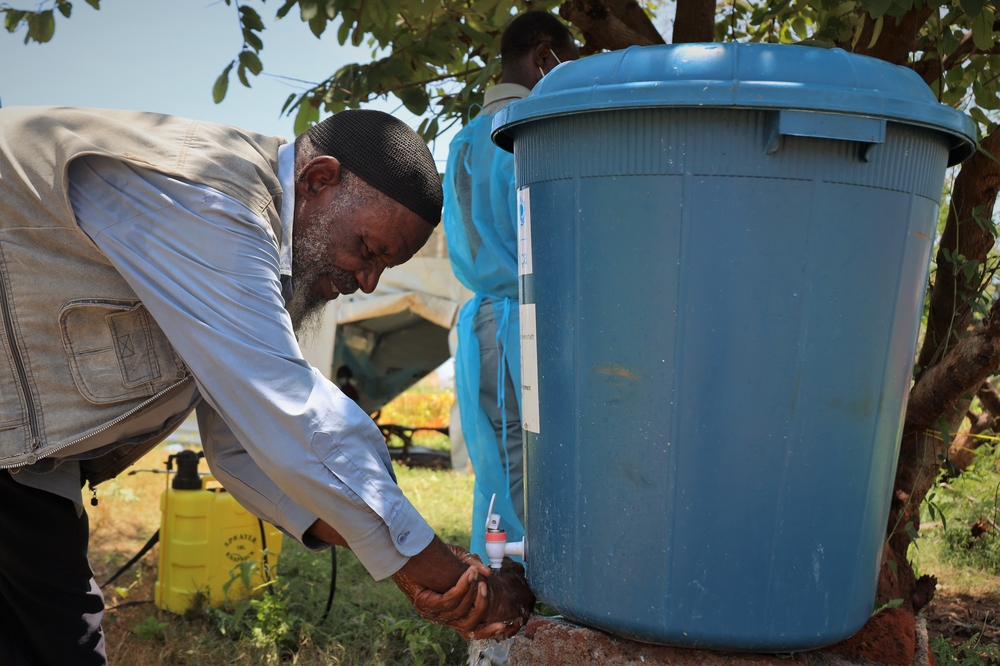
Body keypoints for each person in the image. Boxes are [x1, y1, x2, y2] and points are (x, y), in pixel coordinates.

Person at [0, 106, 533, 665]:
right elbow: (293, 417)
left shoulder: (248, 258)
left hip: (26, 464)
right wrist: (449, 580)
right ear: (318, 179)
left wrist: (428, 565)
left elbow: (243, 449)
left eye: (384, 268)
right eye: (369, 251)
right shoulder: (210, 199)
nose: (367, 283)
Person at [443, 12, 579, 565]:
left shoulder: (462, 143)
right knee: (540, 467)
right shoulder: (531, 133)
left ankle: (500, 586)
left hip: (483, 324)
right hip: (527, 322)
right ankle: (529, 595)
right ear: (545, 57)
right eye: (566, 64)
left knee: (502, 468)